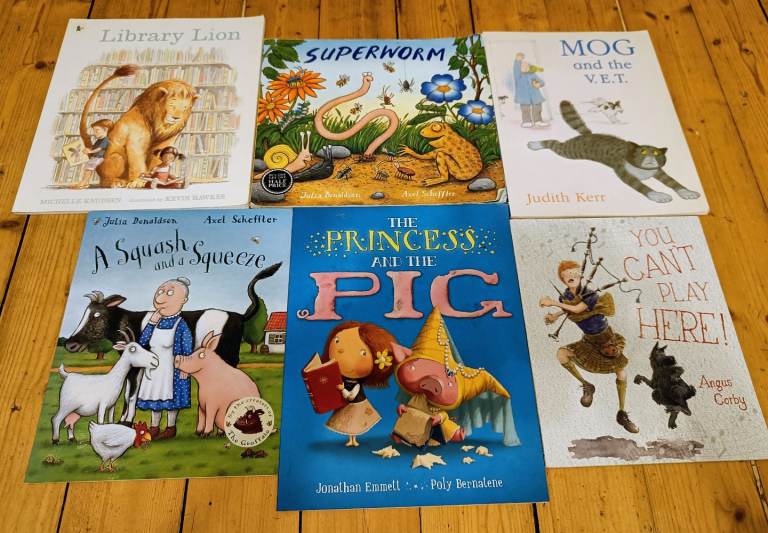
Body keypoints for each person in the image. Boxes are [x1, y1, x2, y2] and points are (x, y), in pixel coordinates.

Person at [539, 260, 639, 433]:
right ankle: (587, 385)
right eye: (566, 275)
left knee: (621, 372)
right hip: (589, 340)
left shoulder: (590, 293)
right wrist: (555, 315)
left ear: (580, 275)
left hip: (607, 339)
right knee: (562, 354)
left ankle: (622, 413)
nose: (571, 277)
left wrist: (553, 303)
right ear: (562, 278)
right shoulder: (565, 296)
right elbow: (569, 308)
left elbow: (578, 309)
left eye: (574, 273)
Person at [320, 322, 397, 447]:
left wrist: (343, 390)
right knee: (348, 424)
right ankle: (351, 440)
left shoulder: (356, 384)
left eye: (362, 353)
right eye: (337, 341)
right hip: (345, 405)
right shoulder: (340, 378)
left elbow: (351, 396)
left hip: (357, 405)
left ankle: (353, 440)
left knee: (354, 424)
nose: (341, 351)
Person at [136, 277, 194, 440]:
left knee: (171, 398)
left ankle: (170, 427)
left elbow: (187, 347)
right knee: (155, 396)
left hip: (172, 369)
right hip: (154, 368)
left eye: (169, 293)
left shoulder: (181, 324)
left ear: (183, 300)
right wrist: (151, 324)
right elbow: (143, 342)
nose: (161, 296)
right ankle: (154, 427)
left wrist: (185, 367)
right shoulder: (154, 322)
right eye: (161, 291)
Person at [70, 119, 113, 189]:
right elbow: (94, 147)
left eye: (97, 130)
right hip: (95, 157)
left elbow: (99, 149)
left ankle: (84, 182)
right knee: (87, 168)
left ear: (105, 129)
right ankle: (85, 182)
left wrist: (90, 152)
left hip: (99, 157)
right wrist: (88, 149)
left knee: (89, 168)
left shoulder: (105, 140)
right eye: (94, 131)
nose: (95, 133)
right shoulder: (99, 140)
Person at [513, 52, 548, 128]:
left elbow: (542, 82)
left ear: (530, 68)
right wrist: (518, 60)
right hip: (523, 96)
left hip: (535, 95)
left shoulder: (532, 74)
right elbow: (516, 68)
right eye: (523, 66)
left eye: (527, 66)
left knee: (538, 107)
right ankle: (526, 121)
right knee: (525, 109)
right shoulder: (518, 76)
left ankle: (538, 121)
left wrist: (539, 84)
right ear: (519, 68)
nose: (525, 67)